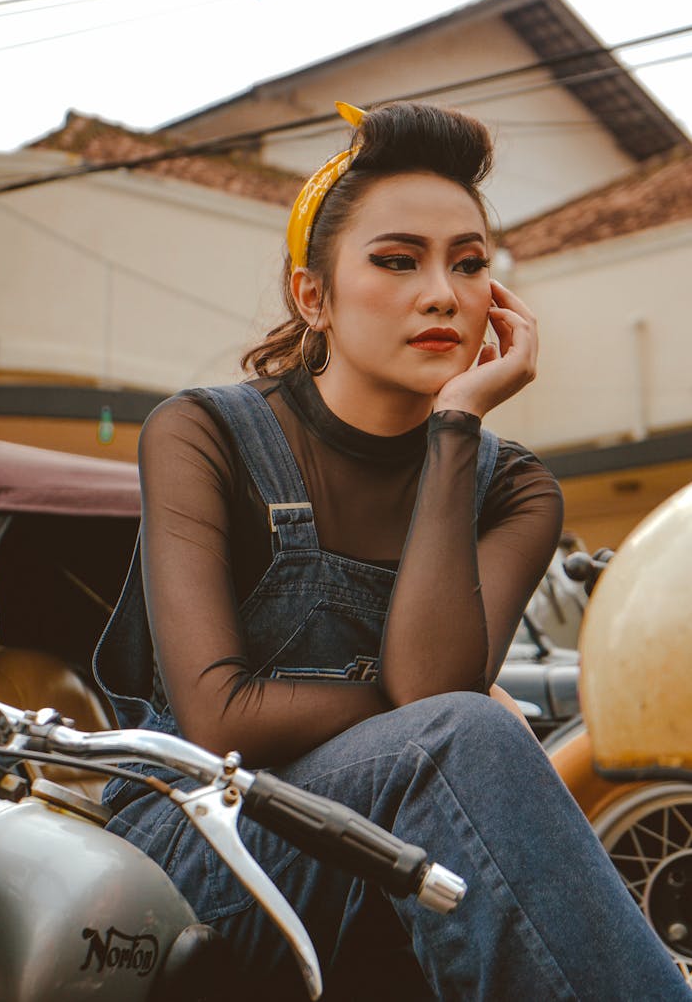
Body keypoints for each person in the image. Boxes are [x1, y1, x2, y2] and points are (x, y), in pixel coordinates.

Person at [94, 101, 687, 1000]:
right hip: (198, 839)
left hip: (392, 846)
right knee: (470, 732)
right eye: (398, 260)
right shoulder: (203, 434)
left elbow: (429, 686)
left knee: (465, 743)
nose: (444, 292)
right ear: (313, 295)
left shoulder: (515, 488)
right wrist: (456, 703)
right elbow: (223, 715)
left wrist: (455, 427)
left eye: (471, 263)